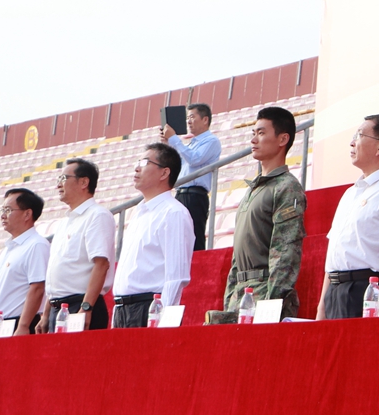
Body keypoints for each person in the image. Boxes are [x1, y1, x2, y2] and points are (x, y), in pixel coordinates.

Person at [206, 106, 306, 323]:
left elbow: (285, 252)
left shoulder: (286, 187)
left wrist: (272, 305)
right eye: (253, 133)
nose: (253, 140)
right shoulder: (252, 190)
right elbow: (238, 256)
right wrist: (230, 297)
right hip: (241, 295)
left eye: (261, 133)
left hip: (263, 293)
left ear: (283, 139)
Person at [318, 115, 379, 319]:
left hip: (365, 292)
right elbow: (334, 255)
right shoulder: (349, 194)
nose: (352, 142)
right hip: (335, 292)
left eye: (360, 135)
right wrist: (322, 309)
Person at [111, 143, 195, 328]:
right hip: (122, 309)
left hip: (149, 309)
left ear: (164, 173)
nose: (137, 168)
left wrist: (162, 321)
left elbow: (176, 276)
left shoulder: (173, 213)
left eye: (144, 162)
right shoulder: (138, 212)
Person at [37, 158, 114, 331]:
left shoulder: (97, 215)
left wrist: (86, 308)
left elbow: (101, 264)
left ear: (84, 182)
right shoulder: (64, 222)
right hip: (57, 309)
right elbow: (56, 274)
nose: (59, 184)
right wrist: (46, 313)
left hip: (80, 305)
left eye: (64, 178)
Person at [0, 188, 51, 336]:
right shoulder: (9, 248)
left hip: (17, 325)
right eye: (2, 210)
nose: (3, 215)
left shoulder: (36, 245)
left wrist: (23, 326)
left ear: (27, 214)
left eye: (8, 210)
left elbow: (38, 288)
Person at [162, 103, 222, 248]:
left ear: (205, 119)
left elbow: (195, 159)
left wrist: (175, 139)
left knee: (194, 239)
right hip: (181, 193)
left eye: (192, 117)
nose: (188, 121)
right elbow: (179, 165)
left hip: (195, 195)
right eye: (187, 118)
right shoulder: (189, 144)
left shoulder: (211, 141)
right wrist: (168, 144)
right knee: (178, 239)